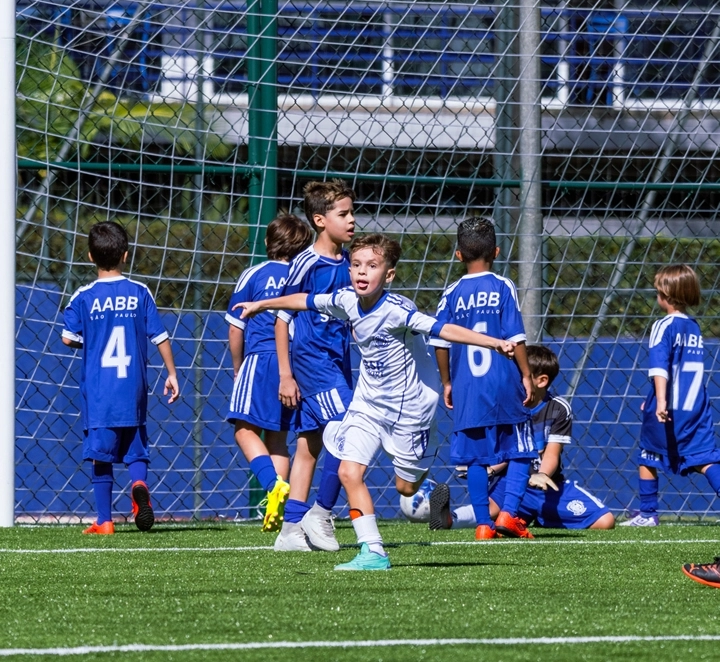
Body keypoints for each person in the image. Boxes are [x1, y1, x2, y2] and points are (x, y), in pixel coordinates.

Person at [235, 232, 517, 570]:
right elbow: (304, 301)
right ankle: (373, 551)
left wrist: (495, 343)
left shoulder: (399, 311)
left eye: (371, 265)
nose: (361, 272)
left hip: (410, 411)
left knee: (406, 488)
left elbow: (445, 330)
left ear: (390, 274)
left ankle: (426, 490)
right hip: (368, 405)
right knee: (348, 471)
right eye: (355, 265)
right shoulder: (346, 300)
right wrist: (261, 305)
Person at [61, 221, 180, 534]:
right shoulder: (139, 292)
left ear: (89, 256)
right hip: (133, 388)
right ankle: (139, 483)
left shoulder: (83, 297)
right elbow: (160, 336)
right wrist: (171, 373)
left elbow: (67, 337)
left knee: (101, 455)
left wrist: (92, 339)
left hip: (100, 392)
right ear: (125, 255)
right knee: (136, 447)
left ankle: (104, 520)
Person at [428, 217, 536, 541]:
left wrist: (447, 382)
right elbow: (515, 336)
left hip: (468, 386)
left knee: (475, 456)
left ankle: (482, 525)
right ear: (497, 252)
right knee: (520, 448)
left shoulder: (450, 293)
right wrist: (527, 375)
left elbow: (440, 342)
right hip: (503, 381)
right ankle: (508, 515)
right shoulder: (503, 286)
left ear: (458, 255)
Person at [430, 345, 615, 533]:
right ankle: (450, 519)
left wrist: (542, 474)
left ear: (541, 381)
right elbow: (507, 453)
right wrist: (490, 470)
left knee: (605, 521)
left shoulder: (558, 409)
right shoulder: (504, 406)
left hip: (547, 488)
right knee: (490, 509)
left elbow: (552, 453)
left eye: (517, 375)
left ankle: (537, 517)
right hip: (509, 483)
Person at [272, 180, 356, 552]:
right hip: (312, 359)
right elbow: (281, 317)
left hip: (339, 359)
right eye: (344, 214)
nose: (352, 220)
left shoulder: (351, 260)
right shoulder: (307, 262)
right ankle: (320, 511)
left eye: (352, 212)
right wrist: (285, 374)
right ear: (320, 220)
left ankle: (289, 530)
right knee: (348, 430)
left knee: (310, 444)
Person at [225, 214, 313, 530]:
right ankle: (274, 506)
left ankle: (272, 486)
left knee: (243, 429)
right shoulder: (306, 276)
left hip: (261, 358)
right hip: (297, 364)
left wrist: (238, 367)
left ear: (266, 242)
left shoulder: (254, 274)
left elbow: (236, 327)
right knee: (278, 438)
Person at [623, 264, 720, 527]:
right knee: (706, 459)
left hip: (670, 407)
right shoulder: (694, 327)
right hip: (696, 407)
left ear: (666, 294)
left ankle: (648, 513)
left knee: (647, 455)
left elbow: (659, 367)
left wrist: (661, 401)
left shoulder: (663, 326)